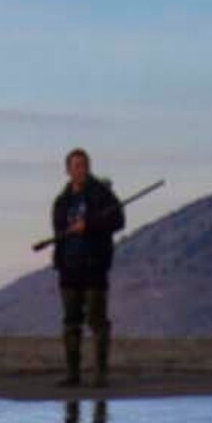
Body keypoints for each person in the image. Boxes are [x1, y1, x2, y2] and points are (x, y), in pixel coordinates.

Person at [49, 148, 125, 388]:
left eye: (83, 165)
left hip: (94, 266)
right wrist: (59, 261)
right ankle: (73, 375)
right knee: (71, 323)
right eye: (75, 166)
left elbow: (117, 221)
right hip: (69, 268)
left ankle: (100, 374)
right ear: (68, 170)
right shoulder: (62, 201)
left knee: (97, 322)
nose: (80, 170)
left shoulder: (102, 194)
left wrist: (89, 225)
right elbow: (59, 233)